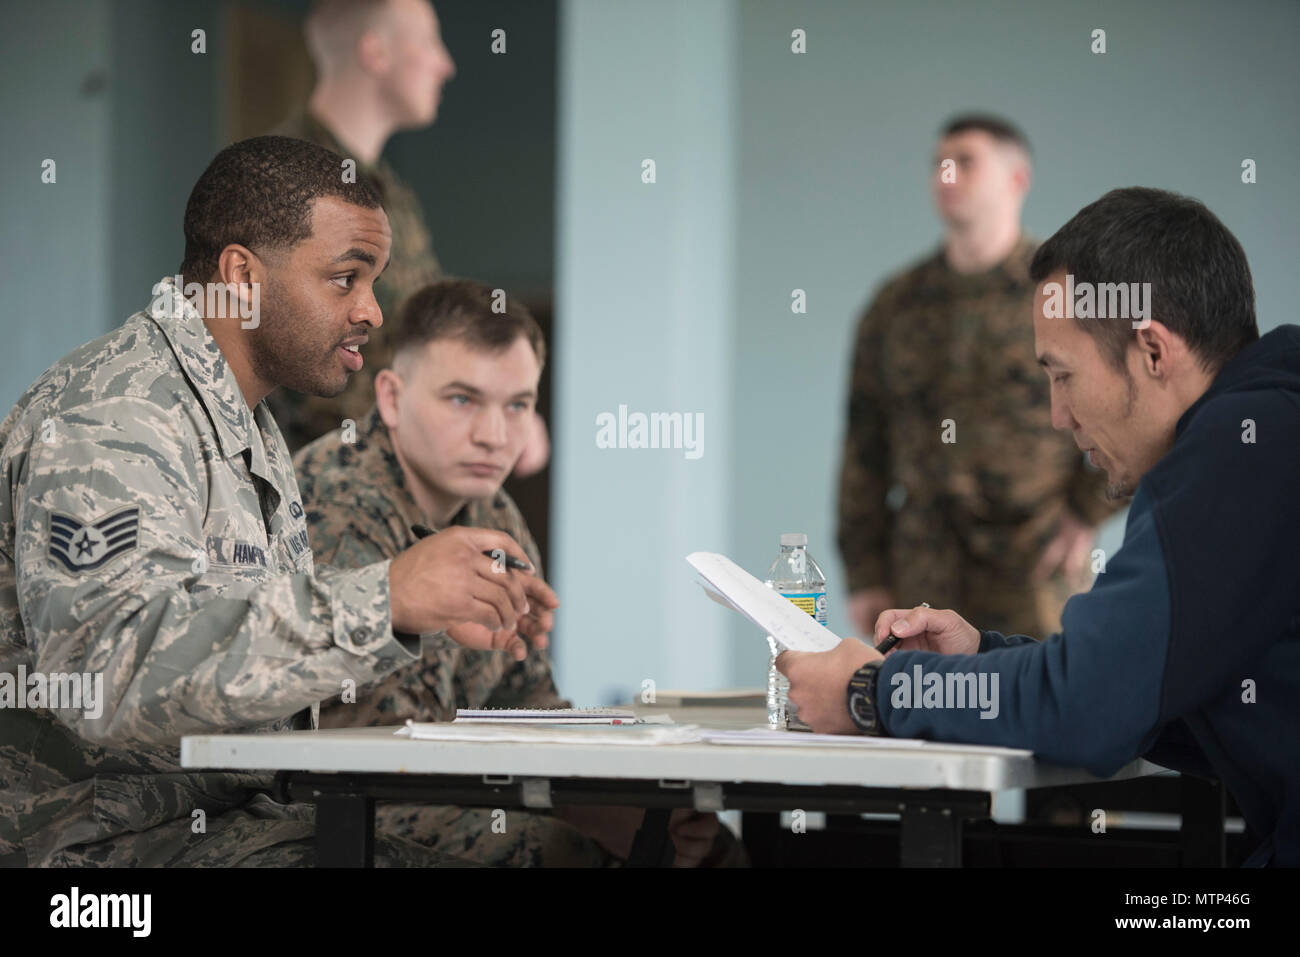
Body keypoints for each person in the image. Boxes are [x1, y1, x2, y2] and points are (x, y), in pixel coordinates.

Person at [0, 135, 555, 866]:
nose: (373, 312)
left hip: (235, 821)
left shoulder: (246, 420)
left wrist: (427, 612)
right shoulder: (117, 412)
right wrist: (384, 599)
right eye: (345, 279)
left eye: (374, 282)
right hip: (99, 854)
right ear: (241, 275)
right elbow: (108, 674)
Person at [781, 187, 1299, 867]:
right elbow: (1157, 702)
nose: (1059, 416)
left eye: (1063, 376)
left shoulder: (1238, 451)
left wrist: (872, 692)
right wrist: (984, 660)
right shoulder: (1267, 430)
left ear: (1152, 351)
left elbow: (1093, 704)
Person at [293, 279, 731, 866]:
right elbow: (378, 750)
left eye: (518, 405)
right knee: (556, 850)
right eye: (461, 400)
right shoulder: (340, 503)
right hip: (334, 801)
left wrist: (626, 800)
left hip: (451, 791)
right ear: (392, 398)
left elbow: (530, 706)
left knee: (700, 843)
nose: (495, 436)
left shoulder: (492, 512)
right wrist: (580, 811)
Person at [838, 115, 1121, 640]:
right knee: (913, 714)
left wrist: (1087, 510)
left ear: (1017, 179)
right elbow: (864, 447)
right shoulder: (895, 305)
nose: (946, 177)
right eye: (939, 165)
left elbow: (1124, 407)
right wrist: (865, 574)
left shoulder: (1063, 295)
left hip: (1034, 569)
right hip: (922, 569)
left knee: (1043, 706)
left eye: (965, 163)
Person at [267, 0, 550, 474]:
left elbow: (427, 320)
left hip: (384, 472)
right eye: (428, 41)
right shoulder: (284, 181)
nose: (446, 63)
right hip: (313, 487)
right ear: (375, 52)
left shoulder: (391, 193)